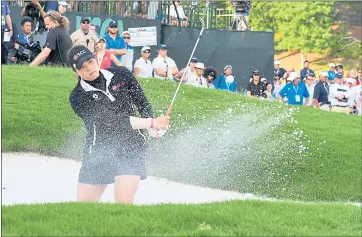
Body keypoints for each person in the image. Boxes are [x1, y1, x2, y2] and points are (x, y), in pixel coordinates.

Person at [67, 45, 170, 204]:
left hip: (131, 147)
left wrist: (152, 128)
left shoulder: (121, 73)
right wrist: (151, 122)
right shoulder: (78, 97)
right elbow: (112, 122)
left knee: (123, 206)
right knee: (83, 209)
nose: (89, 68)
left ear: (96, 58)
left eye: (90, 61)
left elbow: (142, 103)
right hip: (98, 152)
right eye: (82, 66)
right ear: (76, 71)